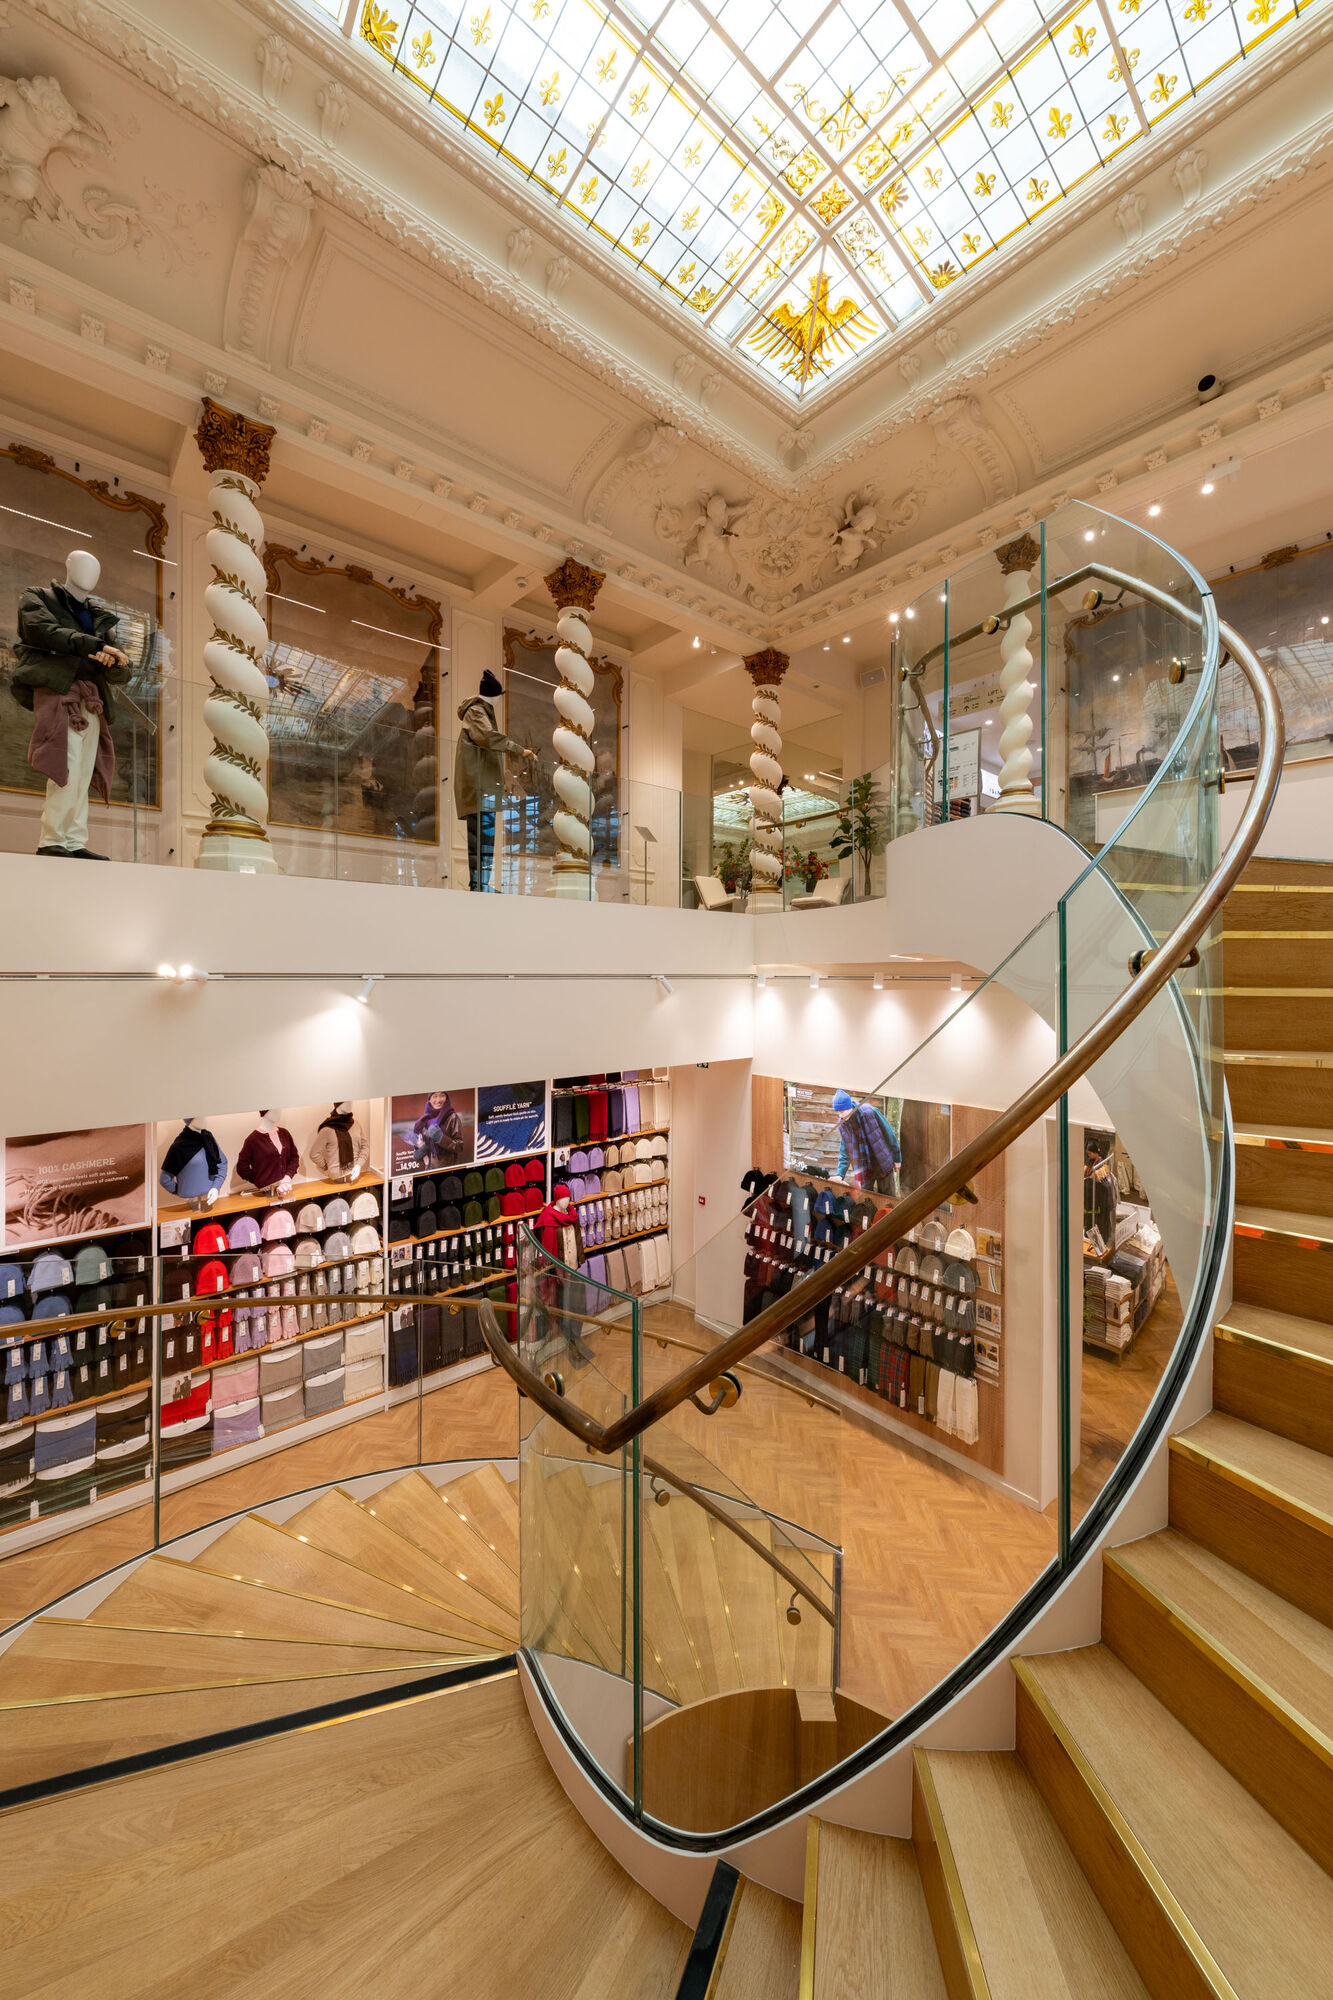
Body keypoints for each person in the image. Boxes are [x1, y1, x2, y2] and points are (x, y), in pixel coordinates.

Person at [11, 549, 130, 858]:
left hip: (92, 699)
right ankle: (52, 838)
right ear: (67, 565)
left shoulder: (100, 617)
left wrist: (112, 660)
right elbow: (44, 632)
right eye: (82, 565)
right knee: (66, 761)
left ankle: (74, 840)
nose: (89, 573)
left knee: (83, 768)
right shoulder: (37, 597)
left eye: (95, 568)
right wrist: (96, 646)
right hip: (59, 690)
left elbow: (121, 669)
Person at [453, 669, 536, 890]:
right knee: (480, 838)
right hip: (479, 788)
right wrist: (519, 750)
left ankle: (482, 884)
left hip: (486, 787)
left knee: (484, 839)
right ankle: (478, 884)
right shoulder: (477, 712)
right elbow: (488, 738)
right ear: (495, 695)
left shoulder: (480, 712)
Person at [833, 1089, 901, 1195]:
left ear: (849, 1107)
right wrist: (840, 1174)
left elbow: (889, 1133)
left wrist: (897, 1158)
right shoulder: (843, 1125)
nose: (840, 1115)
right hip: (864, 1167)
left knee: (889, 1197)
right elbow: (845, 1151)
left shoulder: (870, 1111)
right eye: (837, 1112)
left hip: (881, 1161)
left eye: (841, 1111)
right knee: (865, 1198)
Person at [412, 1091, 465, 1166]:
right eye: (435, 1096)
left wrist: (441, 1138)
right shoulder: (422, 1122)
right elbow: (417, 1153)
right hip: (429, 1170)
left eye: (442, 1096)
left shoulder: (452, 1117)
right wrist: (421, 1151)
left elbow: (460, 1147)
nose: (438, 1100)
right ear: (429, 1100)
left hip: (448, 1167)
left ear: (446, 1098)